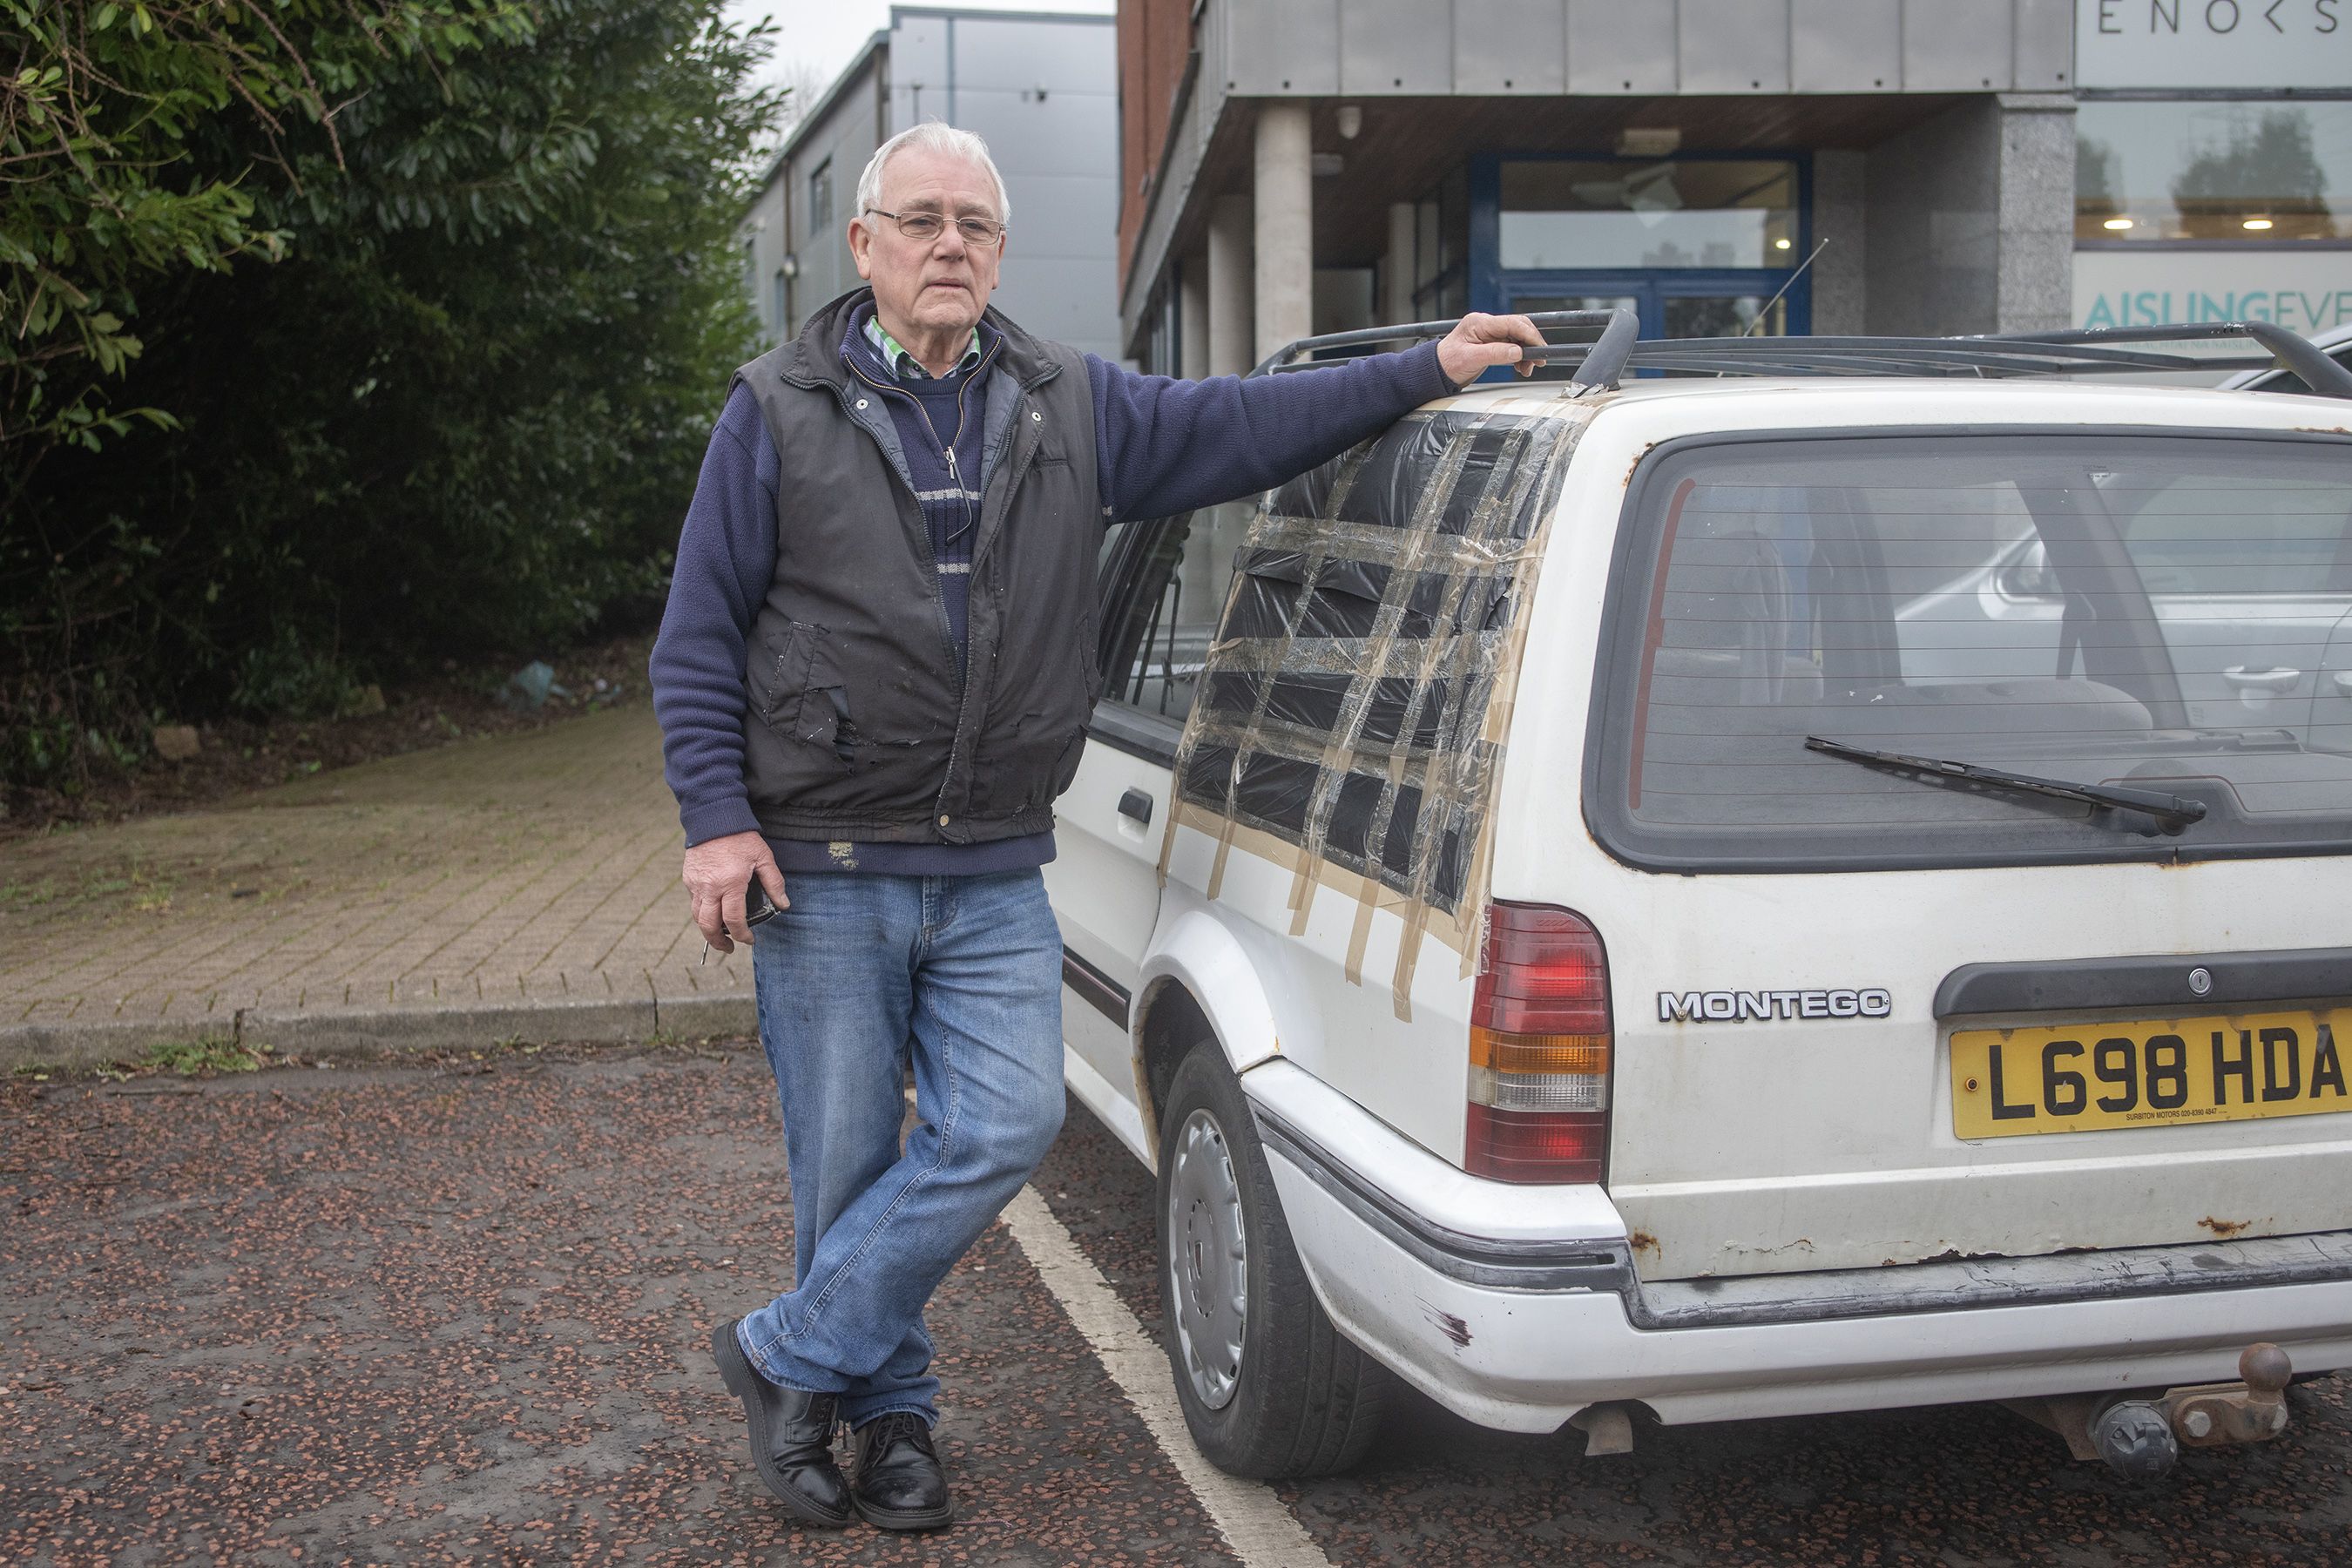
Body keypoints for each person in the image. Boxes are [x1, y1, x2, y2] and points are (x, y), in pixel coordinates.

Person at [648, 119, 1543, 1532]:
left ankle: (784, 1357)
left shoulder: (1066, 401)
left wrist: (1421, 373)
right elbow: (697, 638)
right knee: (845, 1167)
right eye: (923, 219)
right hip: (823, 863)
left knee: (1001, 1122)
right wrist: (716, 823)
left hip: (995, 858)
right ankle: (890, 1428)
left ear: (1000, 251)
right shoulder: (777, 407)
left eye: (976, 226)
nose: (951, 245)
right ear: (866, 241)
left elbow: (1242, 426)